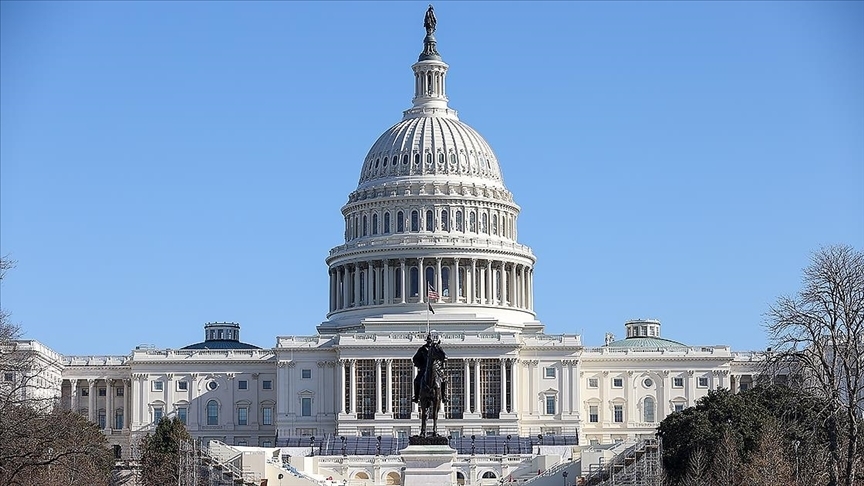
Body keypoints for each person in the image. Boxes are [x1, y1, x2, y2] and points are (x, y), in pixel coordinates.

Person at [411, 334, 447, 403]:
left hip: (436, 369)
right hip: (424, 369)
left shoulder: (436, 349)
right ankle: (416, 396)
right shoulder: (422, 349)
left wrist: (440, 365)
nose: (429, 343)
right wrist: (420, 365)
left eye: (430, 341)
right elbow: (415, 358)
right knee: (416, 381)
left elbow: (442, 357)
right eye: (428, 341)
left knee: (444, 380)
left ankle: (443, 396)